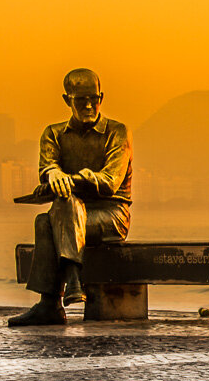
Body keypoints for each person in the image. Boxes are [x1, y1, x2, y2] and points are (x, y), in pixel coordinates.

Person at [8, 69, 133, 326]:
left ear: (101, 97)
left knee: (54, 216)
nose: (88, 105)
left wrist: (70, 179)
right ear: (67, 100)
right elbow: (48, 167)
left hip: (111, 214)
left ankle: (50, 302)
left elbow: (110, 183)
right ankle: (70, 284)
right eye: (80, 99)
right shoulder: (53, 134)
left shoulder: (117, 132)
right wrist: (53, 175)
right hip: (70, 214)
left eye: (93, 98)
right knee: (50, 216)